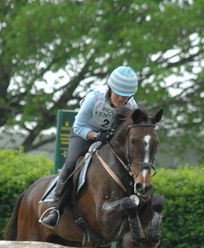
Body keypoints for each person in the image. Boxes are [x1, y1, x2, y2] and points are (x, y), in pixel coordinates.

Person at [39, 65, 140, 229]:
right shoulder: (94, 98)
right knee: (72, 164)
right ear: (110, 88)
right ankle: (55, 209)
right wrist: (97, 136)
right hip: (84, 134)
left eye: (126, 96)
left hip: (110, 140)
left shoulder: (132, 107)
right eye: (118, 94)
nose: (121, 99)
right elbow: (78, 126)